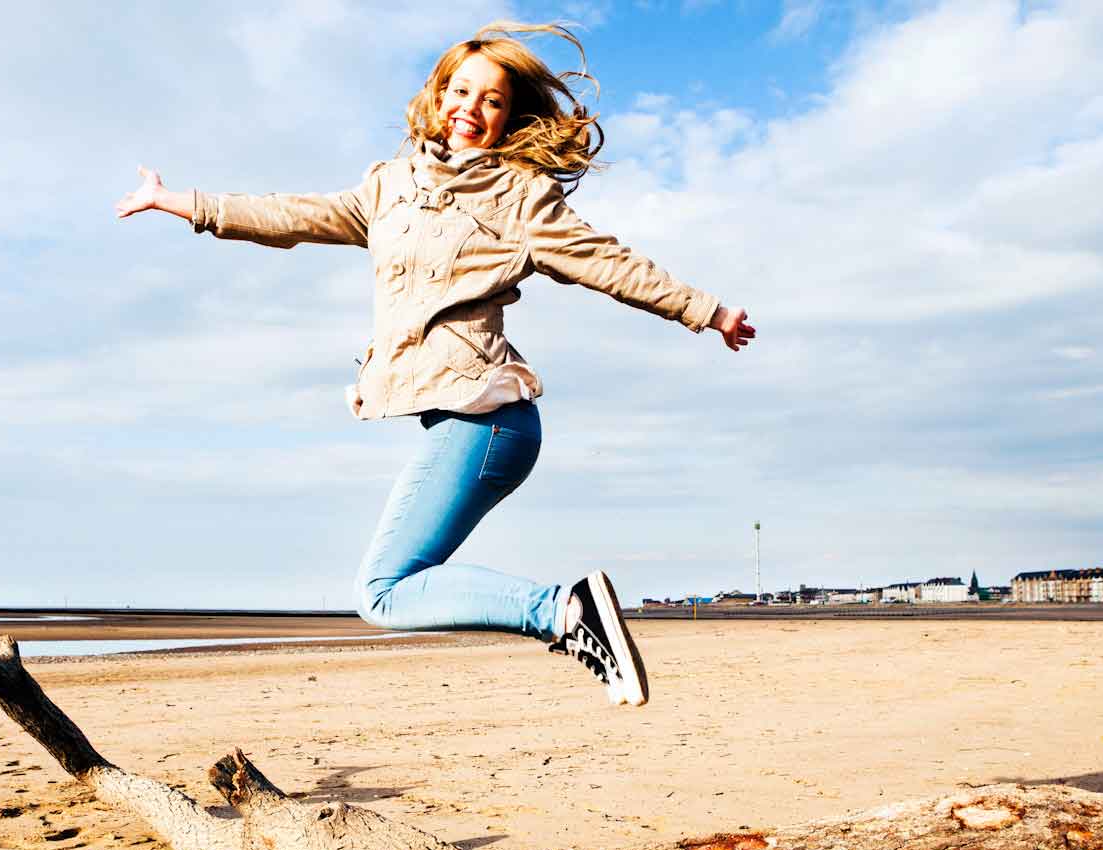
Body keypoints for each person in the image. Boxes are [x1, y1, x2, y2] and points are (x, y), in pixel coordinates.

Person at [114, 22, 755, 708]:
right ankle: (569, 617)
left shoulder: (519, 196)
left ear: (511, 117)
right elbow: (287, 216)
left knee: (382, 592)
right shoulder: (388, 187)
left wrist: (704, 311)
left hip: (488, 417)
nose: (470, 109)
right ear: (436, 95)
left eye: (491, 101)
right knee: (390, 589)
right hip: (457, 420)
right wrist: (177, 201)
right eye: (460, 90)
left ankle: (565, 612)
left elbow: (608, 263)